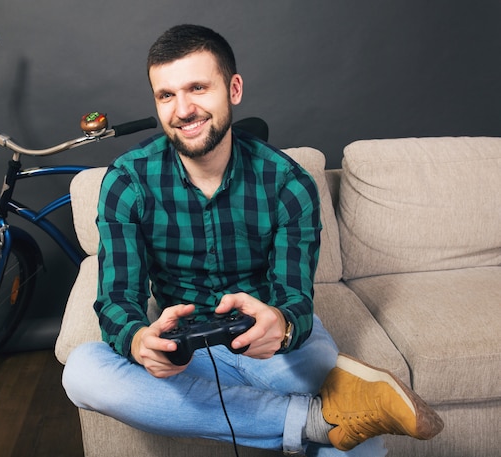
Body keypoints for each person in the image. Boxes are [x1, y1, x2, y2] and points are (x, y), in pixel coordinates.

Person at [62, 24, 443, 456]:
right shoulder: (127, 181)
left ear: (234, 89)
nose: (183, 109)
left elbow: (295, 298)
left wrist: (280, 326)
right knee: (82, 372)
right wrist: (137, 341)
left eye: (198, 88)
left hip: (270, 348)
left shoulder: (288, 183)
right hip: (186, 348)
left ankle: (322, 412)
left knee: (343, 405)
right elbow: (116, 299)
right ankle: (314, 420)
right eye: (166, 95)